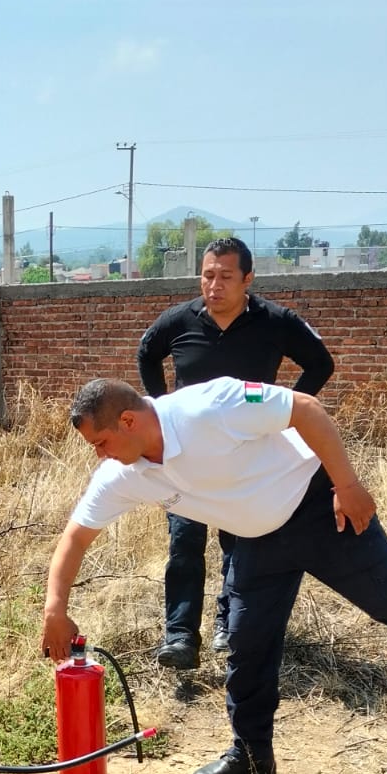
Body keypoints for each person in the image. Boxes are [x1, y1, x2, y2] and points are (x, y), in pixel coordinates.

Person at [40, 377, 387, 774]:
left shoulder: (209, 406)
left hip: (318, 509)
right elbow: (76, 537)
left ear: (128, 421)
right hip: (256, 542)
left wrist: (346, 485)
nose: (98, 456)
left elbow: (305, 409)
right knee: (249, 645)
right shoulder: (120, 474)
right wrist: (54, 609)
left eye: (99, 443)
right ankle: (251, 757)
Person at [137, 237, 334, 670]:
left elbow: (321, 363)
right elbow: (147, 353)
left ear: (247, 279)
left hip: (248, 454)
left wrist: (286, 413)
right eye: (208, 275)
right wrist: (163, 407)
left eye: (226, 276)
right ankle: (180, 635)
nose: (215, 285)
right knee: (184, 541)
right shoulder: (179, 321)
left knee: (240, 540)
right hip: (186, 455)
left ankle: (229, 625)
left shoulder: (276, 322)